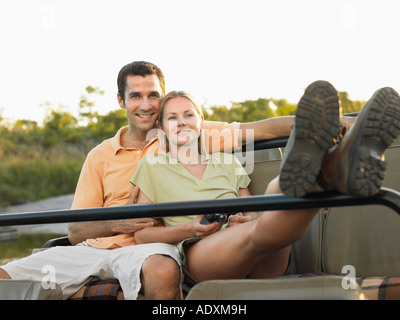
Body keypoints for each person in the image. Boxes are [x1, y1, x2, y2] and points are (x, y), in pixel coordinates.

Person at [0, 60, 317, 299]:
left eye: (154, 95)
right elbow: (75, 231)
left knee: (161, 267)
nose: (147, 104)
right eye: (136, 96)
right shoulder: (100, 155)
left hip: (151, 250)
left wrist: (324, 122)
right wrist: (119, 223)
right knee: (5, 275)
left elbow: (261, 129)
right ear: (122, 101)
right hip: (96, 248)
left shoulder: (186, 136)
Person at [128, 83, 400, 286]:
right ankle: (329, 171)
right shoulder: (152, 166)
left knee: (274, 191)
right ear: (162, 129)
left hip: (264, 253)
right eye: (173, 117)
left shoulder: (227, 161)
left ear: (201, 122)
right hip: (203, 255)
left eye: (188, 114)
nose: (182, 122)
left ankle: (328, 168)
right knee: (267, 219)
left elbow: (251, 211)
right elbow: (141, 235)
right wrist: (190, 227)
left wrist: (245, 220)